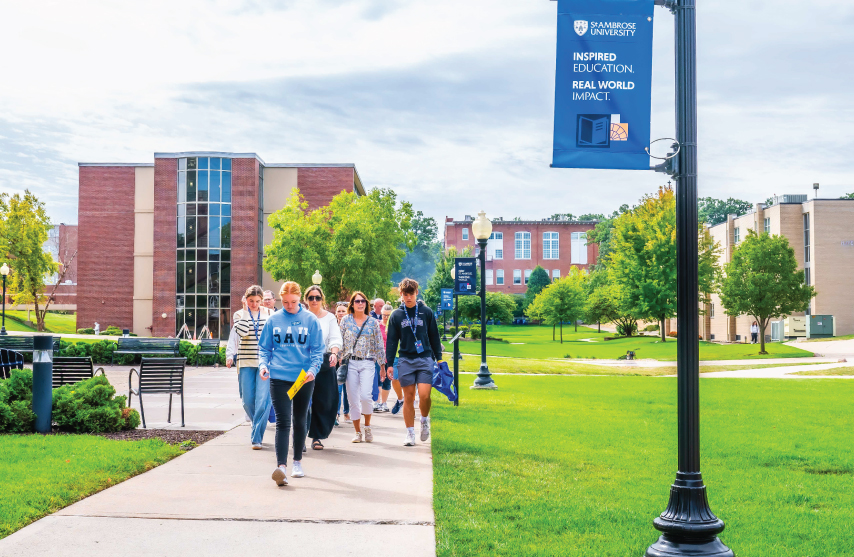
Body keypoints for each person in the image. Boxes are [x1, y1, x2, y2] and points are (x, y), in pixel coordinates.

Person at [259, 281, 324, 486]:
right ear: (280, 299)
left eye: (293, 302)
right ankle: (281, 467)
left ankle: (297, 462)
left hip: (302, 378)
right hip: (279, 376)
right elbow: (264, 348)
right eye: (285, 302)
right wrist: (263, 365)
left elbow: (317, 350)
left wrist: (313, 370)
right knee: (283, 421)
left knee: (299, 419)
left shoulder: (310, 320)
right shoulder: (273, 320)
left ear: (300, 300)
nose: (289, 306)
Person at [385, 278, 443, 446]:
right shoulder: (396, 314)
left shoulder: (426, 312)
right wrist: (389, 363)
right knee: (408, 397)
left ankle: (424, 420)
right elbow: (392, 341)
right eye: (405, 294)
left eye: (411, 294)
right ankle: (410, 433)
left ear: (416, 293)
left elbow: (434, 336)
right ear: (401, 295)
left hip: (425, 358)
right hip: (405, 360)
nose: (408, 297)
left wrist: (439, 358)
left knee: (425, 395)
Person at [226, 285, 273, 449]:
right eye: (251, 301)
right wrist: (246, 311)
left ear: (262, 300)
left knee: (263, 400)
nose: (254, 304)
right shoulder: (239, 314)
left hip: (265, 363)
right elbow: (244, 331)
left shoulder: (269, 314)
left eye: (257, 301)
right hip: (245, 362)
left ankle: (256, 437)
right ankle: (257, 425)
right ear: (246, 300)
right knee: (247, 401)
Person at [339, 291, 385, 443]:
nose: (360, 303)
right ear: (352, 304)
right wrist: (339, 357)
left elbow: (379, 344)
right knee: (352, 398)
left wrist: (383, 365)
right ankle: (357, 432)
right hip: (350, 362)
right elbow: (339, 341)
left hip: (367, 361)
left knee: (366, 396)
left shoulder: (372, 322)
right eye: (357, 301)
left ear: (366, 304)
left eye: (363, 301)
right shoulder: (345, 320)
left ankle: (367, 426)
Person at [303, 285, 343, 450]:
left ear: (322, 299)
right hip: (302, 362)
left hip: (324, 362)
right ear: (306, 299)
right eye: (311, 297)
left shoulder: (330, 318)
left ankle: (316, 437)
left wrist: (334, 353)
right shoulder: (300, 316)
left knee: (324, 401)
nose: (314, 300)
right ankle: (299, 437)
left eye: (317, 297)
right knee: (301, 401)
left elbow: (335, 338)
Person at [335, 302, 350, 422]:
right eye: (339, 311)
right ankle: (336, 414)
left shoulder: (350, 326)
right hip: (334, 360)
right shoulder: (333, 325)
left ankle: (347, 413)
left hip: (347, 359)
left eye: (343, 311)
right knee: (337, 388)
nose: (340, 313)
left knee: (348, 389)